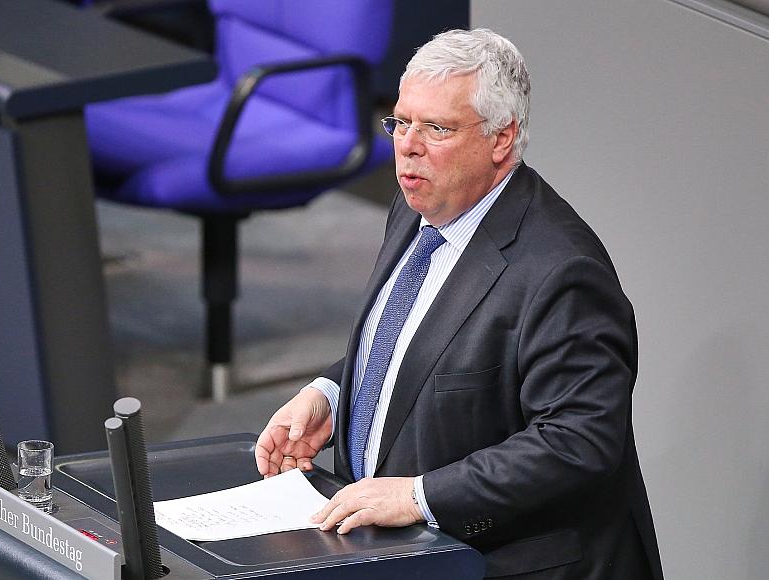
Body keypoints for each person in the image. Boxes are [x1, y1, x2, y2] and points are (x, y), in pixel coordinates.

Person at [254, 28, 663, 579]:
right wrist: (332, 392)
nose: (407, 146)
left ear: (501, 139)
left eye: (437, 128)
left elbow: (578, 440)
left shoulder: (561, 271)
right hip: (396, 554)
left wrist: (419, 497)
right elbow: (420, 340)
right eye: (401, 122)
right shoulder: (419, 203)